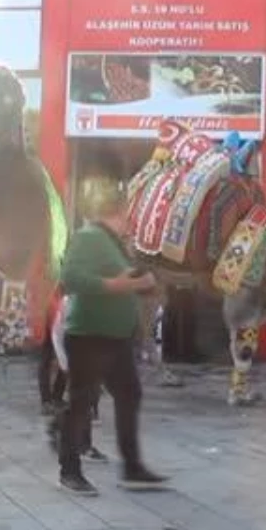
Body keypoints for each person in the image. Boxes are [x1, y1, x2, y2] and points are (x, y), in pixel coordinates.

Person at [56, 178, 168, 496]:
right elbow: (70, 278)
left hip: (115, 338)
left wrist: (141, 282)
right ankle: (69, 470)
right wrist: (115, 287)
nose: (129, 221)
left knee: (129, 395)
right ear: (115, 213)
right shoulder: (89, 237)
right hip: (89, 335)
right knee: (79, 403)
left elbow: (122, 276)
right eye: (126, 214)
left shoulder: (114, 243)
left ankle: (132, 467)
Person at [42, 292, 107, 462]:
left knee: (87, 400)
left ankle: (57, 425)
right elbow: (57, 333)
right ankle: (83, 446)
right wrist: (64, 362)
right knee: (83, 401)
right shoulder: (69, 302)